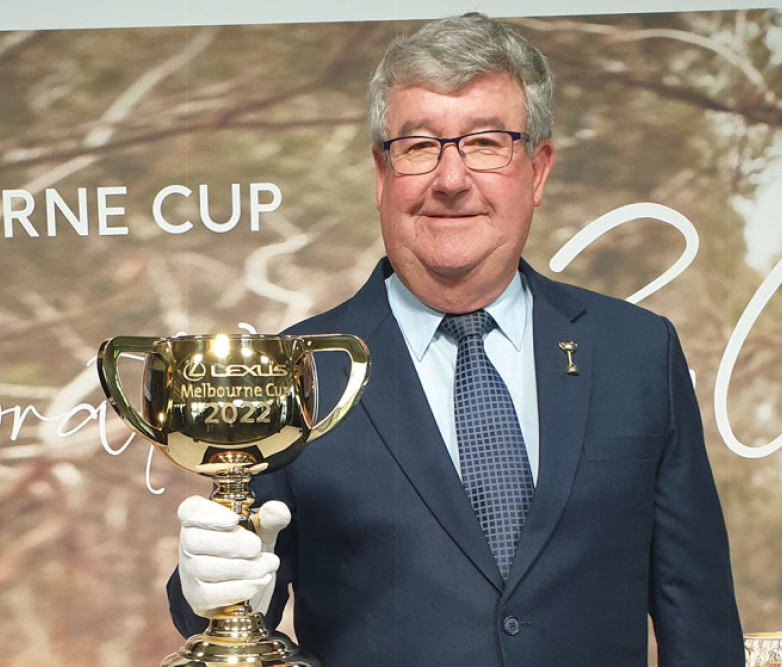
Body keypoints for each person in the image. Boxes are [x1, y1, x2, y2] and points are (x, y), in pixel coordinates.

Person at [166, 13, 744, 666]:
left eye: (486, 142)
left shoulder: (639, 353)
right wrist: (204, 588)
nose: (450, 179)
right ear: (382, 174)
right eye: (418, 146)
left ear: (539, 169)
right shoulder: (295, 371)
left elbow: (700, 624)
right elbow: (235, 613)